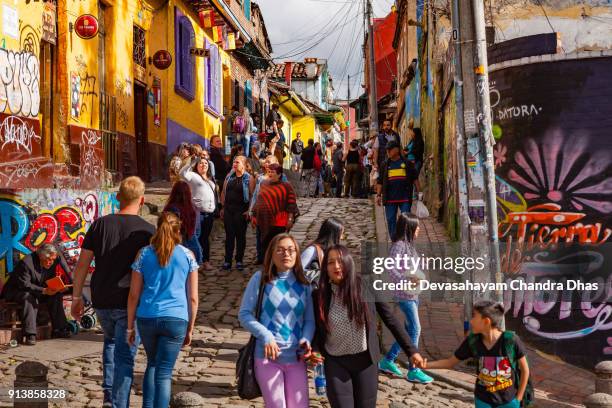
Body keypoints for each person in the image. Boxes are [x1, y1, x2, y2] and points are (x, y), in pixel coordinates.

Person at [71, 176, 156, 408]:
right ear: (143, 200)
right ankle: (118, 403)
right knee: (125, 356)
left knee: (109, 343)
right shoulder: (148, 231)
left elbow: (82, 264)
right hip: (129, 301)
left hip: (101, 297)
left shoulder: (100, 224)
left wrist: (76, 297)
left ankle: (109, 395)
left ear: (118, 197)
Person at [312, 245, 425, 407]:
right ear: (325, 268)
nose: (336, 266)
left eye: (340, 261)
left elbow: (390, 319)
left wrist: (411, 351)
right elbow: (316, 328)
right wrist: (314, 349)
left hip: (365, 361)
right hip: (336, 362)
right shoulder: (319, 295)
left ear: (349, 262)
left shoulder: (366, 286)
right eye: (330, 262)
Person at [126, 211, 199, 408]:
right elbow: (193, 298)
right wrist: (190, 327)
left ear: (157, 227)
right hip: (176, 318)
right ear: (178, 230)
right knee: (165, 372)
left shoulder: (143, 254)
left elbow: (133, 295)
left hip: (147, 316)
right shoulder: (188, 255)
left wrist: (130, 327)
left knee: (152, 364)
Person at [238, 234, 315, 408]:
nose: (285, 254)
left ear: (297, 254)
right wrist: (265, 335)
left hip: (296, 358)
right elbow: (244, 314)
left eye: (290, 250)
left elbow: (310, 320)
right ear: (271, 254)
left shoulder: (305, 284)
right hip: (267, 358)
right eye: (279, 250)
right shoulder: (261, 279)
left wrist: (306, 339)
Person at [425, 301, 531, 408]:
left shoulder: (511, 340)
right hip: (483, 401)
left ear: (486, 321)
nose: (471, 321)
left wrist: (518, 399)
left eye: (474, 317)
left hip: (509, 401)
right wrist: (425, 365)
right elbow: (449, 362)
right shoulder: (473, 341)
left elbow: (525, 370)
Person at [378, 213, 433, 384]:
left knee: (408, 333)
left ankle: (388, 360)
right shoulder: (399, 246)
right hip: (404, 295)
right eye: (416, 228)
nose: (419, 231)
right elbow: (392, 269)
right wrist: (406, 281)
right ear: (409, 228)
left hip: (413, 294)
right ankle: (413, 369)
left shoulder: (409, 245)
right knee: (416, 328)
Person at [1, 244, 72, 345]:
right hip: (17, 291)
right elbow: (24, 285)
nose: (51, 262)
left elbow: (48, 279)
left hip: (38, 289)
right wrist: (44, 290)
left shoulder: (53, 261)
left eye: (53, 259)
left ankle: (59, 329)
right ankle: (30, 334)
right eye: (48, 259)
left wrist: (56, 288)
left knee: (56, 296)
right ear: (41, 256)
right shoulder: (26, 263)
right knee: (29, 297)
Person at [252, 163, 300, 258]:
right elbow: (259, 201)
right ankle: (267, 265)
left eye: (273, 172)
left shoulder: (286, 186)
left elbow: (291, 204)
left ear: (279, 174)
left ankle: (277, 265)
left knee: (278, 245)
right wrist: (254, 215)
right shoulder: (264, 184)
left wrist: (290, 219)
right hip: (264, 220)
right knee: (266, 245)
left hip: (280, 222)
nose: (270, 174)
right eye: (269, 171)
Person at [249, 155, 289, 265]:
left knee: (273, 236)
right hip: (261, 212)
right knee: (259, 235)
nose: (267, 164)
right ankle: (261, 257)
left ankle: (273, 257)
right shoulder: (260, 178)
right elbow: (256, 196)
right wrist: (252, 211)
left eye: (270, 162)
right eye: (266, 162)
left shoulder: (282, 178)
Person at [376, 141, 420, 239]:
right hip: (390, 199)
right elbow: (380, 181)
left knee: (406, 220)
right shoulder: (385, 164)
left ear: (396, 149)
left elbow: (415, 178)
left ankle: (406, 239)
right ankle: (394, 240)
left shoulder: (407, 163)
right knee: (391, 219)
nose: (388, 152)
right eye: (387, 150)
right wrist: (378, 195)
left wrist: (419, 192)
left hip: (404, 198)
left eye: (389, 150)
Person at [180, 157, 216, 271]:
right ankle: (195, 261)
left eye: (206, 163)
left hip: (209, 214)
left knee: (205, 238)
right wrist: (193, 161)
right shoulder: (193, 176)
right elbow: (182, 173)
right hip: (197, 213)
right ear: (197, 166)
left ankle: (205, 261)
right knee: (196, 238)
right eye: (201, 163)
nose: (203, 165)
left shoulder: (210, 180)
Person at [220, 156, 255, 271]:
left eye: (237, 162)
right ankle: (227, 260)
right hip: (229, 210)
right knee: (229, 236)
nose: (234, 164)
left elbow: (252, 196)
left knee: (240, 237)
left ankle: (239, 260)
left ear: (244, 165)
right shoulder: (229, 177)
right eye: (234, 162)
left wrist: (249, 210)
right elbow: (224, 193)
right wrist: (223, 208)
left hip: (241, 211)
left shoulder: (248, 178)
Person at [163, 181, 202, 266]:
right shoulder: (193, 209)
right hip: (192, 246)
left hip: (174, 247)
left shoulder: (170, 209)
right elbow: (197, 230)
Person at [300, 217, 344, 284]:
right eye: (341, 234)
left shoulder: (334, 250)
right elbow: (298, 270)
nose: (342, 237)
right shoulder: (312, 250)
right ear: (334, 235)